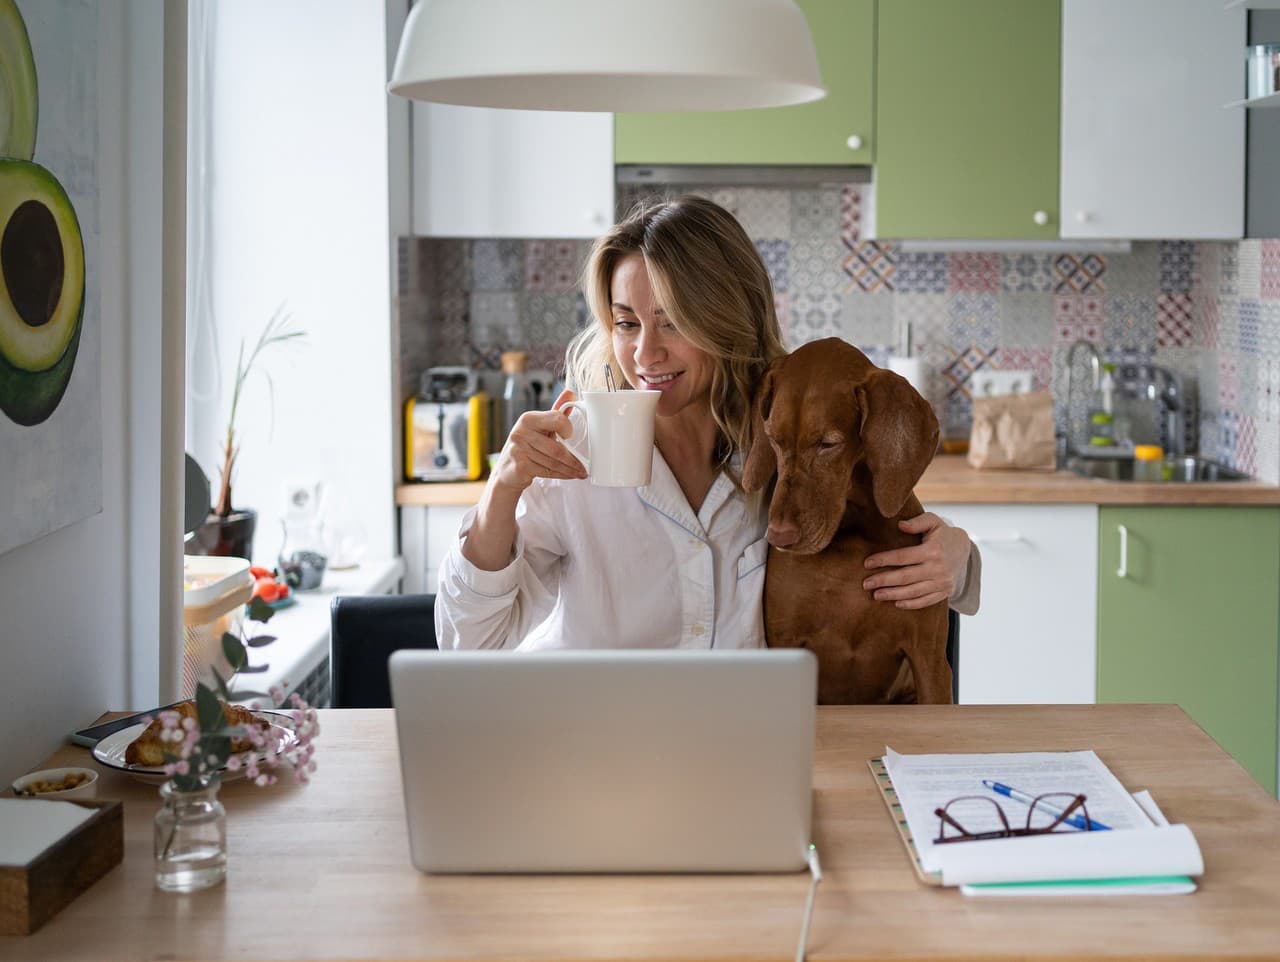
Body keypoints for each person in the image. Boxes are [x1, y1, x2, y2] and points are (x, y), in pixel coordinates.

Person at [436, 195, 980, 651]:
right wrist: (501, 490)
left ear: (729, 320)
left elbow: (893, 538)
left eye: (673, 323)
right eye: (627, 323)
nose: (646, 354)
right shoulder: (572, 447)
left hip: (747, 750)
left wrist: (960, 557)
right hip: (596, 744)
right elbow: (470, 641)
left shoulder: (784, 440)